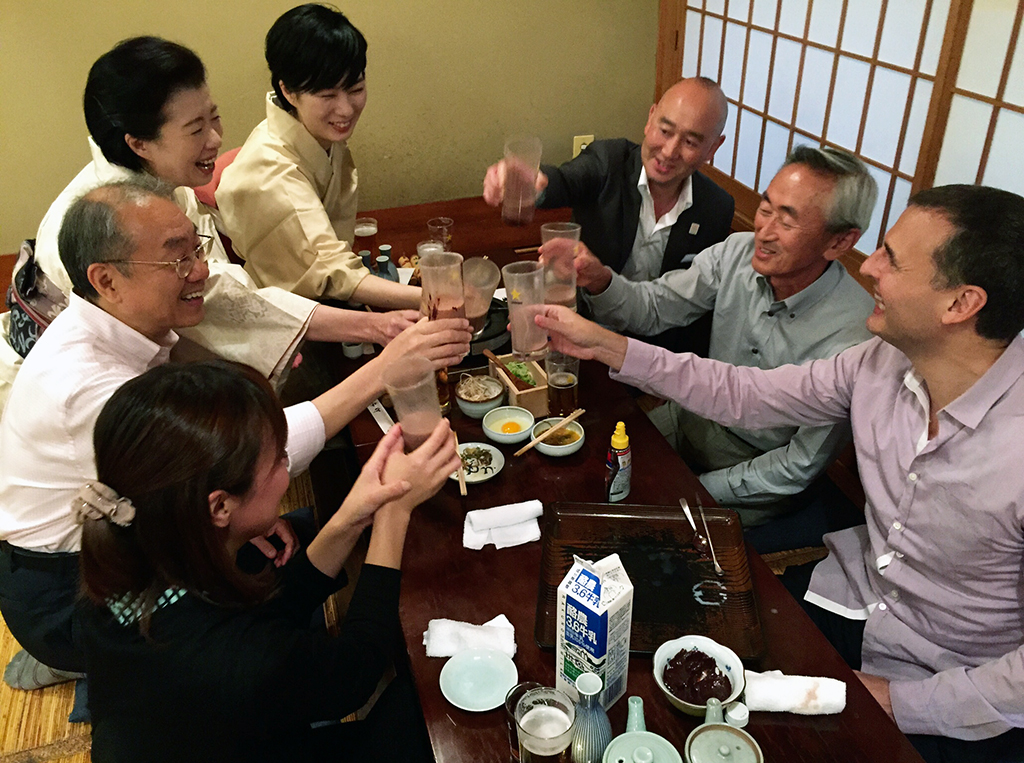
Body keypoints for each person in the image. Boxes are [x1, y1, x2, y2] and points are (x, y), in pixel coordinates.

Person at [535, 184, 1024, 762]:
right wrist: (610, 347)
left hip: (959, 682)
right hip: (848, 599)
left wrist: (898, 703)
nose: (869, 268)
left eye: (891, 258)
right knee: (672, 664)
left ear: (960, 304)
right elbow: (746, 393)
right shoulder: (879, 361)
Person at [0, 179, 470, 689]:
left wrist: (254, 515)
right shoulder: (88, 387)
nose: (200, 271)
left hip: (132, 536)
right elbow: (252, 454)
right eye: (176, 260)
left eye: (196, 248)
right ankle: (85, 663)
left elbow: (226, 467)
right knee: (283, 610)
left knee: (299, 535)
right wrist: (382, 375)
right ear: (106, 280)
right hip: (70, 591)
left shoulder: (116, 327)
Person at [0, 36, 418, 413]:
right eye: (196, 129)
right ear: (139, 143)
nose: (216, 139)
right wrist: (372, 323)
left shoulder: (153, 179)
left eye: (213, 118)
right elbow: (215, 291)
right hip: (73, 396)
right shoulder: (121, 216)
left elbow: (215, 280)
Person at [77, 360, 452, 761]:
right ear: (220, 506)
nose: (286, 470)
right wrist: (395, 513)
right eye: (278, 461)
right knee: (432, 693)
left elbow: (265, 615)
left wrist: (355, 513)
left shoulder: (125, 559)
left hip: (226, 734)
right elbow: (356, 673)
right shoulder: (238, 663)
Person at [578, 146, 876, 526]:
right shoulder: (736, 253)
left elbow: (797, 465)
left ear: (840, 242)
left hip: (755, 473)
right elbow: (654, 306)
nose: (763, 232)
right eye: (766, 208)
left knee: (650, 532)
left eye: (787, 221)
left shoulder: (857, 336)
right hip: (690, 420)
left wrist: (696, 489)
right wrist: (600, 280)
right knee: (590, 473)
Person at [482, 77, 735, 352]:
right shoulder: (608, 161)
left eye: (690, 141)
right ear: (650, 120)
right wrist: (534, 183)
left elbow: (696, 307)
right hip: (583, 334)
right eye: (665, 130)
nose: (670, 151)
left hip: (657, 354)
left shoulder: (716, 208)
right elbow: (567, 180)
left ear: (713, 148)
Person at [217, 5, 419, 310]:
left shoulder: (314, 132)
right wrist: (435, 297)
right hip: (281, 317)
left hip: (323, 305)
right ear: (287, 91)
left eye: (356, 89)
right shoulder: (270, 172)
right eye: (327, 96)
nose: (346, 110)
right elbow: (331, 271)